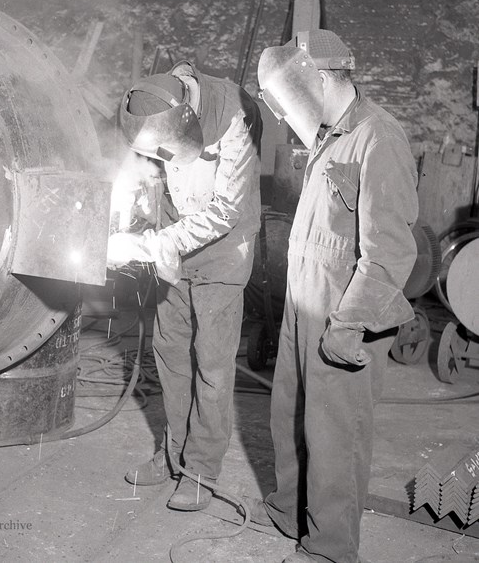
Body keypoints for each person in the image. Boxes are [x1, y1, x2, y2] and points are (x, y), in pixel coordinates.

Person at [252, 29, 419, 563]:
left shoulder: (378, 137)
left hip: (344, 310)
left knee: (334, 435)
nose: (285, 111)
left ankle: (329, 548)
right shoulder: (330, 135)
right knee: (290, 414)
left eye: (290, 95)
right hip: (305, 304)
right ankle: (288, 511)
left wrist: (350, 324)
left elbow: (390, 250)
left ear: (320, 79)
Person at [107, 61, 262, 511]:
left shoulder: (236, 114)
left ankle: (200, 471)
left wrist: (149, 245)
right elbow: (150, 171)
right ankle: (174, 455)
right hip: (174, 240)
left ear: (186, 118)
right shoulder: (152, 105)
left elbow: (224, 212)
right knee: (171, 352)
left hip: (223, 249)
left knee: (211, 366)